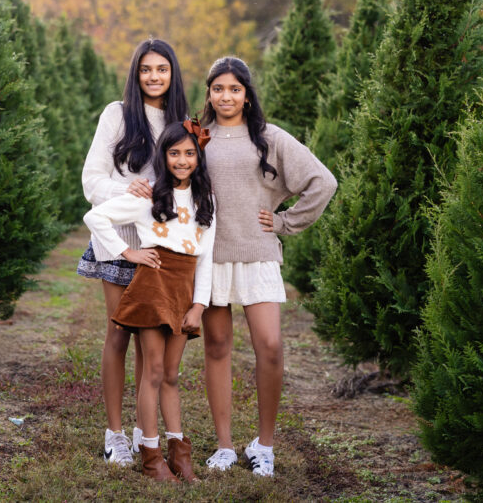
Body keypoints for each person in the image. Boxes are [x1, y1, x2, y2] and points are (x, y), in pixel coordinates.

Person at [199, 56, 337, 477]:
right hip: (210, 256)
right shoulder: (197, 135)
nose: (226, 96)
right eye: (218, 88)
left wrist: (284, 222)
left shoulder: (269, 137)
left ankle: (264, 444)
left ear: (246, 94)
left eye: (234, 89)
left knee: (270, 347)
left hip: (258, 253)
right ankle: (224, 445)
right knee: (218, 348)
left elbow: (322, 181)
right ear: (209, 93)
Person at [83, 121, 215, 482]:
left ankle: (179, 454)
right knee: (153, 371)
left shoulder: (207, 201)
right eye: (174, 153)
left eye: (190, 154)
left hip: (183, 293)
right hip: (153, 288)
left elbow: (206, 257)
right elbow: (95, 216)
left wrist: (199, 305)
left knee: (171, 374)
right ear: (164, 157)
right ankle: (152, 457)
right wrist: (130, 252)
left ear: (199, 158)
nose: (182, 160)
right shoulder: (150, 197)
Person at [79, 38, 189, 467]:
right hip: (117, 239)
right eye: (146, 69)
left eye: (162, 68)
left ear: (172, 73)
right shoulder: (117, 115)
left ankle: (149, 435)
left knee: (153, 344)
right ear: (136, 73)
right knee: (118, 334)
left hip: (160, 246)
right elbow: (92, 180)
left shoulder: (184, 120)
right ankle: (115, 434)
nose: (154, 76)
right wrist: (128, 187)